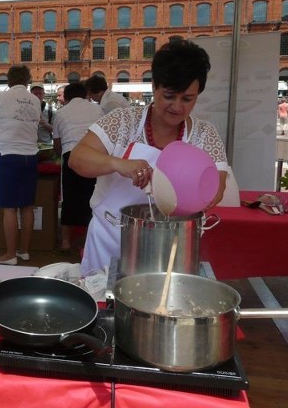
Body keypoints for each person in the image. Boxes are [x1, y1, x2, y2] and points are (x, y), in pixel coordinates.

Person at [69, 40, 229, 273]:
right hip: (110, 242)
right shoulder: (123, 122)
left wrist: (179, 186)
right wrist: (118, 164)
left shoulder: (204, 135)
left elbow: (217, 187)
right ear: (154, 86)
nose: (177, 107)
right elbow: (78, 158)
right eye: (169, 96)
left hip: (172, 248)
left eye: (187, 99)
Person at [0, 65, 41, 265]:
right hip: (30, 156)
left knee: (9, 208)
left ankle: (10, 254)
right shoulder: (36, 100)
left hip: (9, 155)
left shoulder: (1, 97)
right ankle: (24, 251)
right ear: (28, 80)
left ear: (8, 80)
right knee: (27, 206)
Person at [52, 82, 102, 254]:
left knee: (69, 198)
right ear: (85, 94)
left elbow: (57, 144)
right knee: (93, 198)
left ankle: (65, 242)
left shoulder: (61, 113)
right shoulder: (97, 110)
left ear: (67, 96)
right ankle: (88, 242)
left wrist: (59, 154)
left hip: (70, 155)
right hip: (93, 156)